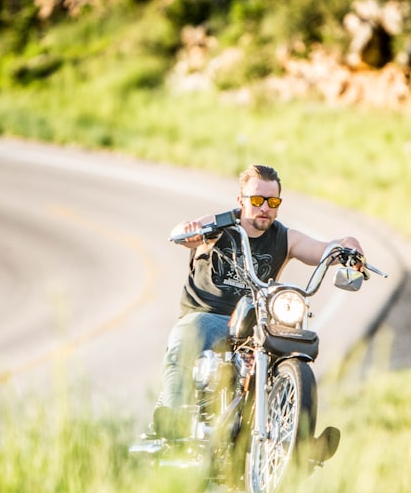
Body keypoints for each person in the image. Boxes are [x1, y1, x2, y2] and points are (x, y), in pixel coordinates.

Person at [149, 163, 365, 446]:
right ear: (241, 200)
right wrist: (190, 232)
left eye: (272, 201)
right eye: (257, 200)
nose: (265, 207)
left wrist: (346, 245)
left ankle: (297, 440)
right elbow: (185, 230)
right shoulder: (220, 226)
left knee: (289, 351)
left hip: (254, 323)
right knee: (185, 340)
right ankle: (171, 417)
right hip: (207, 315)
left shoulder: (284, 238)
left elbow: (319, 249)